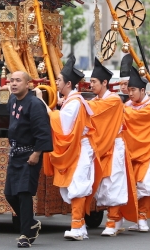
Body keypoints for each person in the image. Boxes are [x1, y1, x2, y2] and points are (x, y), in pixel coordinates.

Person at [45, 55, 97, 241]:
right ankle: (80, 225)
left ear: (68, 84)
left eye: (59, 80)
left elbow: (64, 125)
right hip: (80, 147)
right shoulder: (72, 100)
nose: (56, 82)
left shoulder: (74, 102)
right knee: (75, 184)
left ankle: (76, 226)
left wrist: (48, 111)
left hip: (79, 148)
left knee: (77, 185)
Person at [4, 71, 53, 248]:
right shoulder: (12, 100)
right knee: (10, 194)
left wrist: (37, 153)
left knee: (24, 194)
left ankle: (25, 234)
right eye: (12, 81)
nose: (14, 84)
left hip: (30, 154)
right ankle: (31, 223)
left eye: (18, 81)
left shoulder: (35, 104)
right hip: (15, 153)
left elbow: (43, 131)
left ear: (28, 84)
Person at [87, 57, 134, 237]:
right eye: (90, 81)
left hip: (114, 145)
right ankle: (113, 218)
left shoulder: (113, 100)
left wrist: (76, 102)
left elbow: (94, 109)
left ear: (104, 82)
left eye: (93, 82)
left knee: (113, 182)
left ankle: (113, 221)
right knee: (102, 183)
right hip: (101, 145)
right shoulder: (97, 100)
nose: (91, 85)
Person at [123, 66, 150, 233]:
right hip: (131, 151)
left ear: (142, 90)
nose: (130, 93)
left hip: (149, 149)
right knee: (130, 185)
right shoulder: (127, 105)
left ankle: (143, 216)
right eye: (129, 90)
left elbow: (135, 118)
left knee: (146, 185)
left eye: (133, 90)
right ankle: (135, 217)